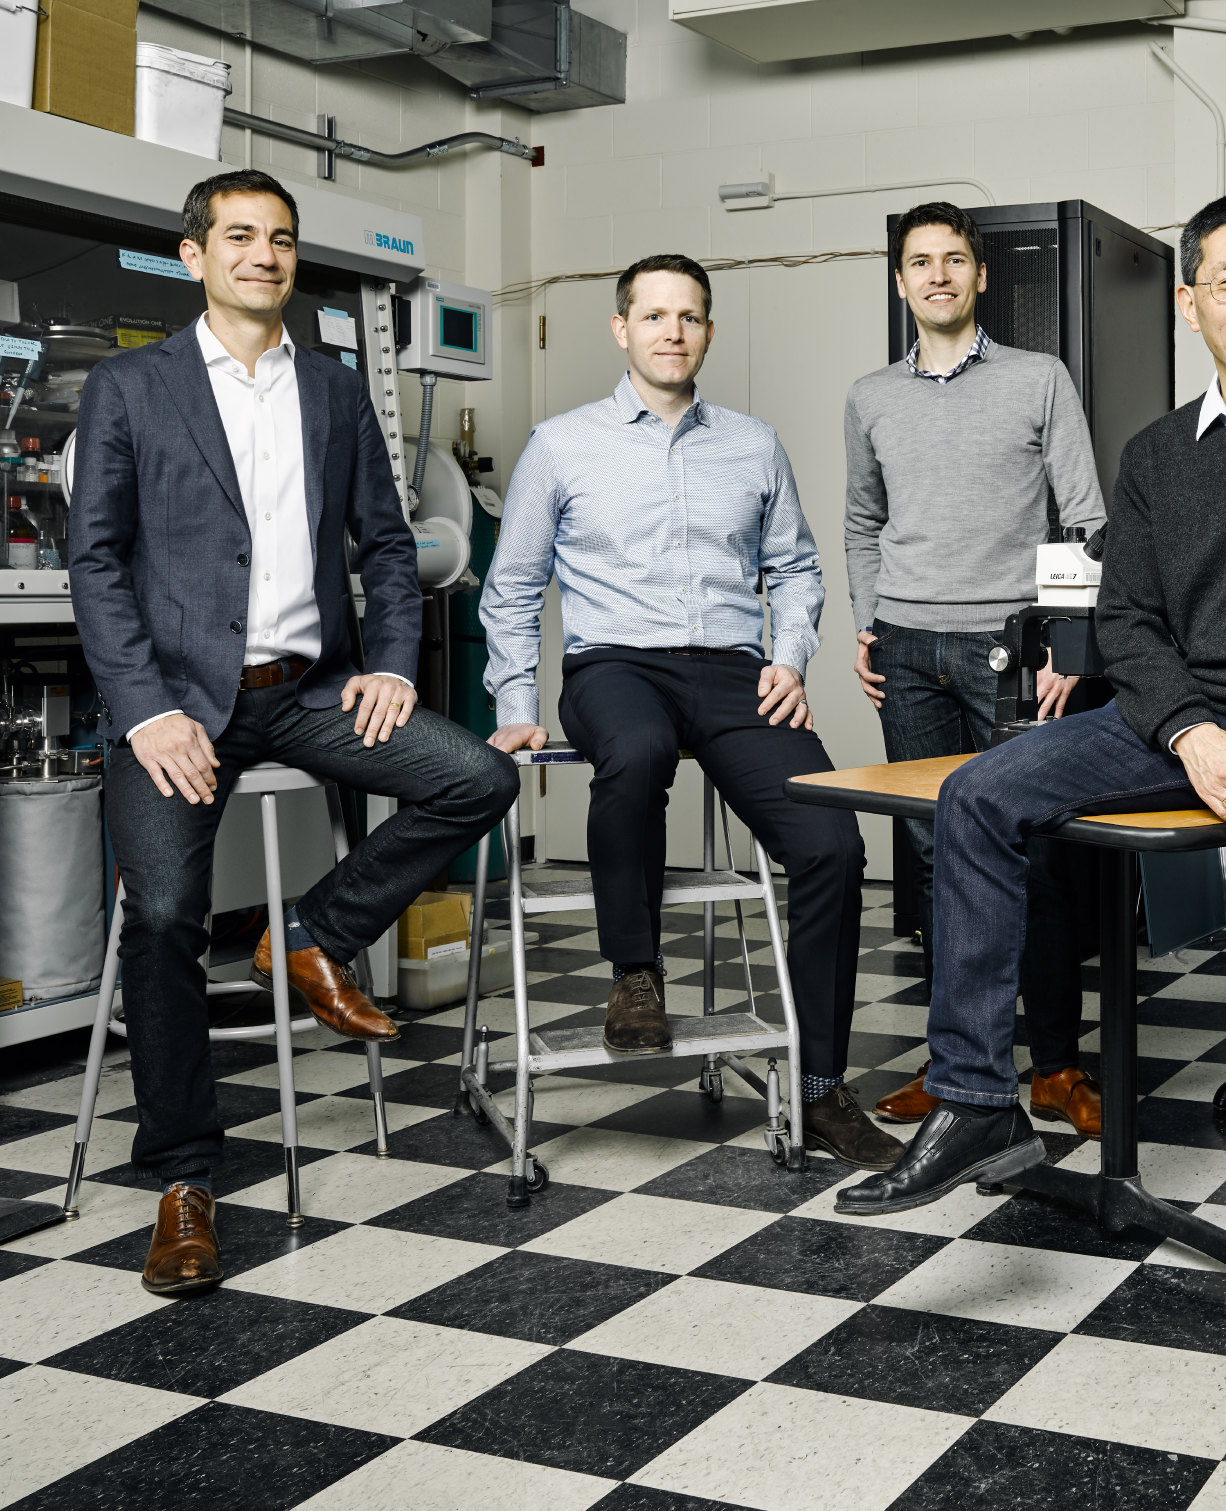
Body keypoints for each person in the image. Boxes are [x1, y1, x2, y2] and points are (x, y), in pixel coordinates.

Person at [836, 193, 1226, 1467]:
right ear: (1192, 304)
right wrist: (1195, 738)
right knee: (977, 793)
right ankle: (974, 1096)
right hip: (1187, 726)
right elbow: (1130, 628)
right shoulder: (1159, 455)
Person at [70, 169, 521, 1296]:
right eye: (238, 237)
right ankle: (183, 1178)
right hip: (176, 702)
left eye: (279, 239)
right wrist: (146, 710)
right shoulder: (131, 386)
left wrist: (386, 661)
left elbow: (389, 540)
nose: (263, 255)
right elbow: (97, 562)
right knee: (167, 911)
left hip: (307, 688)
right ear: (194, 255)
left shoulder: (331, 389)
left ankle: (311, 930)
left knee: (471, 779)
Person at [480, 253, 899, 1171]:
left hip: (735, 672)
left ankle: (823, 1088)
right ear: (621, 329)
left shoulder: (751, 442)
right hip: (614, 666)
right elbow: (511, 585)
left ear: (708, 331)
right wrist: (516, 699)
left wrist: (790, 659)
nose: (674, 330)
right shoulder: (561, 443)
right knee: (633, 750)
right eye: (656, 315)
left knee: (834, 845)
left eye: (692, 316)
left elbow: (794, 567)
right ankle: (636, 974)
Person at [843, 201, 1107, 1138]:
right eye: (921, 263)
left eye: (956, 261)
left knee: (1031, 862)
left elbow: (1084, 519)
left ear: (982, 276)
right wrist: (868, 624)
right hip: (908, 651)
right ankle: (964, 1072)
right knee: (931, 865)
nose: (939, 276)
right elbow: (862, 525)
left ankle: (1058, 1066)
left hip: (1012, 655)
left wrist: (1068, 648)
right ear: (903, 280)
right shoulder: (872, 396)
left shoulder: (1039, 378)